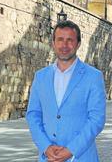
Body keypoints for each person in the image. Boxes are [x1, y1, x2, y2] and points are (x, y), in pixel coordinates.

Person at [26, 20, 106, 162]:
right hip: (48, 157)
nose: (64, 45)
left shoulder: (93, 76)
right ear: (53, 43)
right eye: (60, 39)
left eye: (70, 40)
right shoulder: (40, 77)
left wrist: (71, 150)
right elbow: (33, 115)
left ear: (78, 44)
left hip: (81, 157)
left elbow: (96, 119)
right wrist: (46, 147)